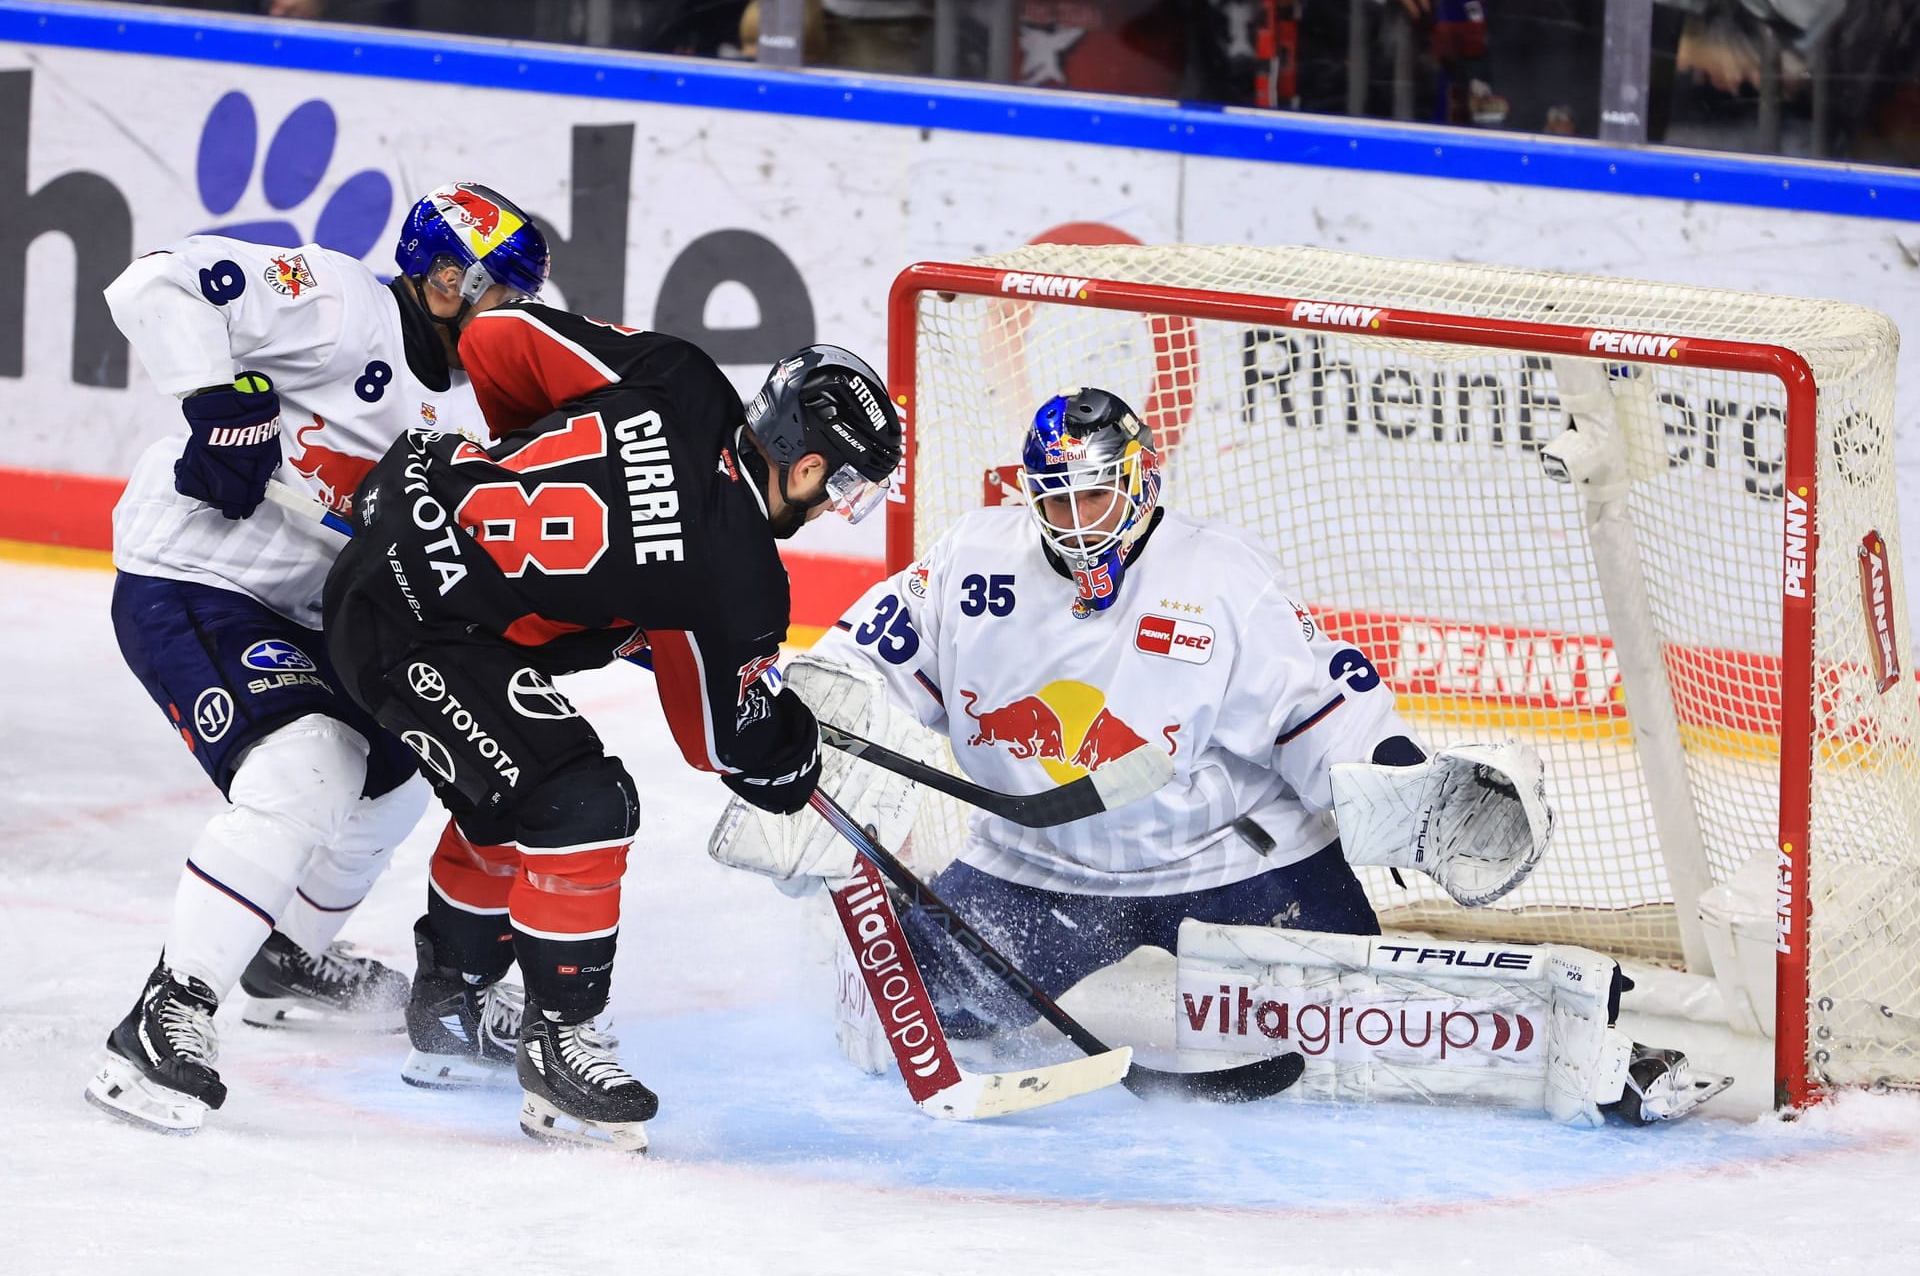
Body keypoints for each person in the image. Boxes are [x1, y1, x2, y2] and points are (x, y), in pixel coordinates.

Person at [712, 387, 1726, 1125]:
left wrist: (1402, 786)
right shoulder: (973, 566)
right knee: (925, 1016)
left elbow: (1324, 709)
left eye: (1095, 498)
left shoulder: (1221, 582)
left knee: (1377, 1019)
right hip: (1042, 868)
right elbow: (854, 662)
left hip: (1243, 863)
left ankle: (1606, 1060)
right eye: (1054, 502)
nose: (1074, 526)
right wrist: (791, 763)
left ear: (1140, 480)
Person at [320, 314, 903, 1152]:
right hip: (416, 631)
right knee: (581, 802)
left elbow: (494, 337)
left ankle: (453, 1008)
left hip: (409, 498)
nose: (832, 507)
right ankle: (561, 1046)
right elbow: (719, 743)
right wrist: (790, 751)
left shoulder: (682, 376)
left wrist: (524, 462)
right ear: (806, 464)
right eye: (841, 489)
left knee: (512, 789)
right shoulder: (738, 579)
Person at [85, 183, 551, 1136]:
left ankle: (285, 956)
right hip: (193, 574)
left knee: (404, 767)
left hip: (314, 613)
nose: (514, 318)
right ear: (445, 279)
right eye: (500, 292)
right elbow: (152, 285)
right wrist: (219, 401)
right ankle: (166, 1010)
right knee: (310, 765)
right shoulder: (338, 304)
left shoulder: (472, 417)